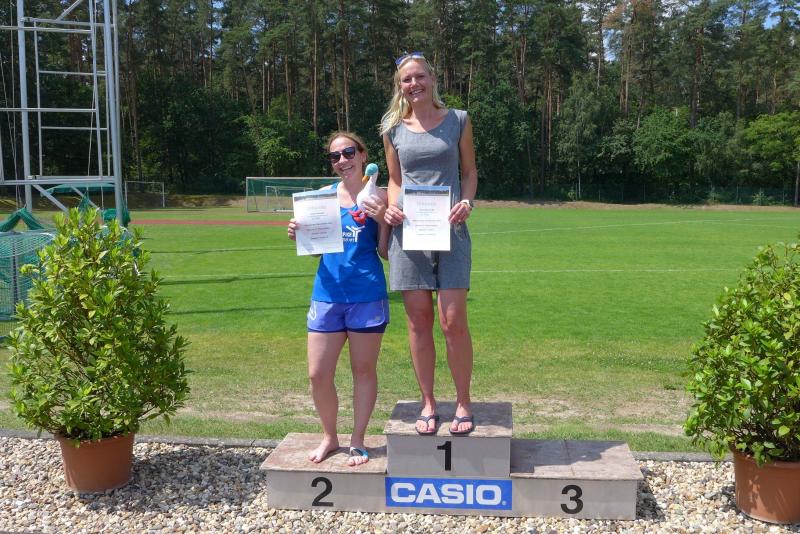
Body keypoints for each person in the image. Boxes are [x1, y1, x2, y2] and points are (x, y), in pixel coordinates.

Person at [380, 52, 478, 436]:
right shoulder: (392, 129)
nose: (414, 84)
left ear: (433, 79)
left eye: (420, 76)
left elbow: (469, 172)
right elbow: (395, 180)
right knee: (419, 322)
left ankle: (463, 402)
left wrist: (467, 201)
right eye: (406, 80)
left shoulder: (459, 120)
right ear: (399, 86)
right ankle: (428, 403)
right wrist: (392, 207)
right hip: (409, 234)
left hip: (451, 230)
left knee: (453, 321)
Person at [287, 131, 390, 465]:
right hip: (327, 295)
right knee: (318, 373)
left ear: (362, 155)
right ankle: (330, 437)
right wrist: (299, 235)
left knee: (363, 371)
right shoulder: (321, 198)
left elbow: (386, 252)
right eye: (335, 156)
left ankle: (357, 440)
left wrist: (382, 219)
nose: (342, 160)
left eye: (348, 153)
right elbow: (315, 251)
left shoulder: (382, 196)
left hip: (367, 295)